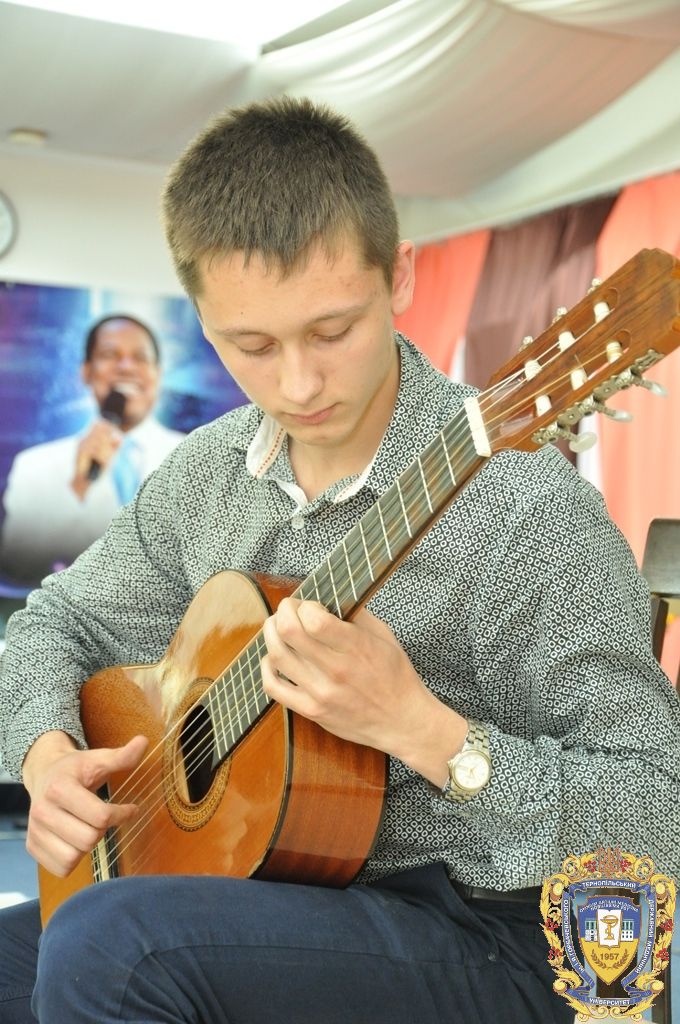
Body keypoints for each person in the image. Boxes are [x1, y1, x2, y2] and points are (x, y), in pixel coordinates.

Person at [0, 96, 678, 1024]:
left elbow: (656, 814)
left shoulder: (527, 507)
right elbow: (55, 623)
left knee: (113, 950)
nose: (299, 383)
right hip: (284, 894)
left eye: (332, 331)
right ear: (202, 320)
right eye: (252, 345)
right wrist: (45, 755)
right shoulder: (207, 475)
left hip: (507, 937)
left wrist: (427, 732)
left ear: (399, 276)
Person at [0, 315, 184, 582]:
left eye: (140, 357)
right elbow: (18, 568)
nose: (126, 367)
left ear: (158, 374)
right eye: (110, 355)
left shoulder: (196, 457)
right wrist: (79, 486)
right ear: (86, 372)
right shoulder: (33, 466)